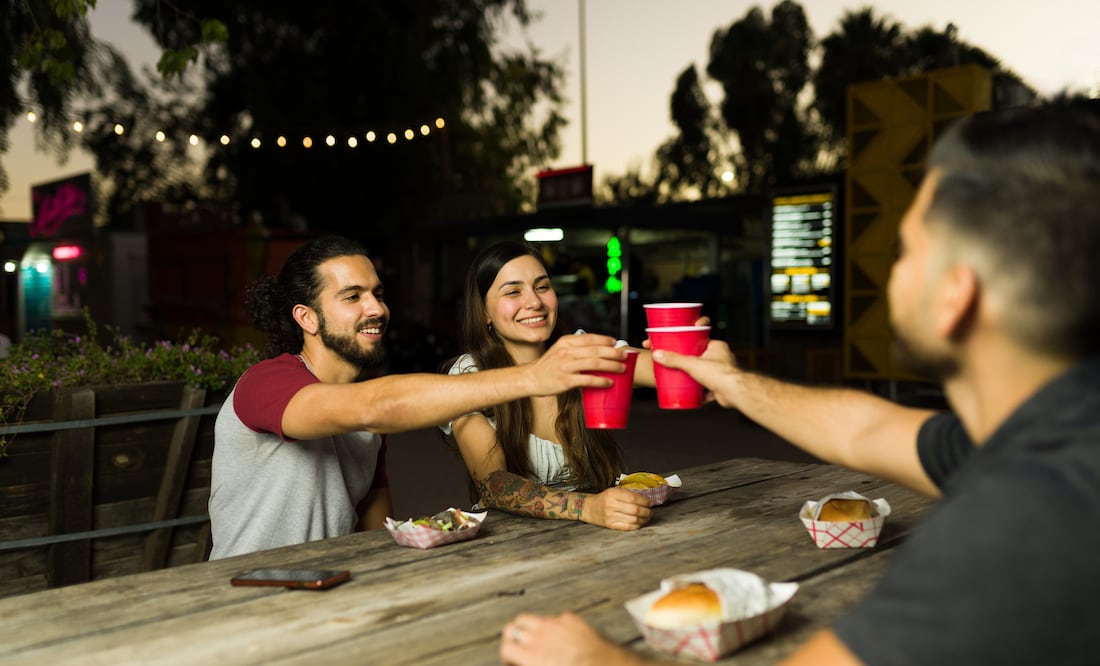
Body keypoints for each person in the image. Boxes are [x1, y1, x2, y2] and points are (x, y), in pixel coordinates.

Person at [499, 100, 1100, 665]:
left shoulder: (1019, 526)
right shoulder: (1049, 437)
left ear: (955, 295)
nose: (892, 271)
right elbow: (866, 428)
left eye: (906, 250)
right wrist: (732, 384)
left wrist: (599, 658)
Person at [208, 235, 627, 559]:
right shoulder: (266, 383)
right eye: (353, 297)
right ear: (306, 317)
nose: (376, 308)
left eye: (378, 294)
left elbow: (375, 531)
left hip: (326, 591)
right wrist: (533, 377)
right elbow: (378, 407)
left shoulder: (367, 425)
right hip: (248, 595)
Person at [440, 241, 659, 530]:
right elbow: (493, 484)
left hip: (603, 529)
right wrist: (587, 507)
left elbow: (666, 372)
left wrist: (688, 347)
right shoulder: (470, 375)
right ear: (484, 313)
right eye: (513, 292)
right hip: (509, 541)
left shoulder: (581, 351)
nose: (535, 302)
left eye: (542, 287)